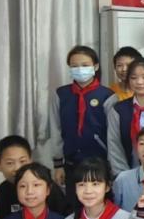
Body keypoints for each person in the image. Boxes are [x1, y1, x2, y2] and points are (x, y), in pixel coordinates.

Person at [49, 45, 116, 193]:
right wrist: (58, 164)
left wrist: (112, 167)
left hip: (100, 163)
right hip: (71, 163)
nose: (80, 69)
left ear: (95, 66)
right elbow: (55, 129)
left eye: (85, 65)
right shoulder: (61, 94)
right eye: (74, 66)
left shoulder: (108, 96)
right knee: (73, 200)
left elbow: (113, 136)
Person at [0, 135, 68, 219]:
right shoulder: (3, 191)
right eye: (10, 163)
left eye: (22, 161)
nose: (17, 168)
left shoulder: (47, 187)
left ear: (30, 160)